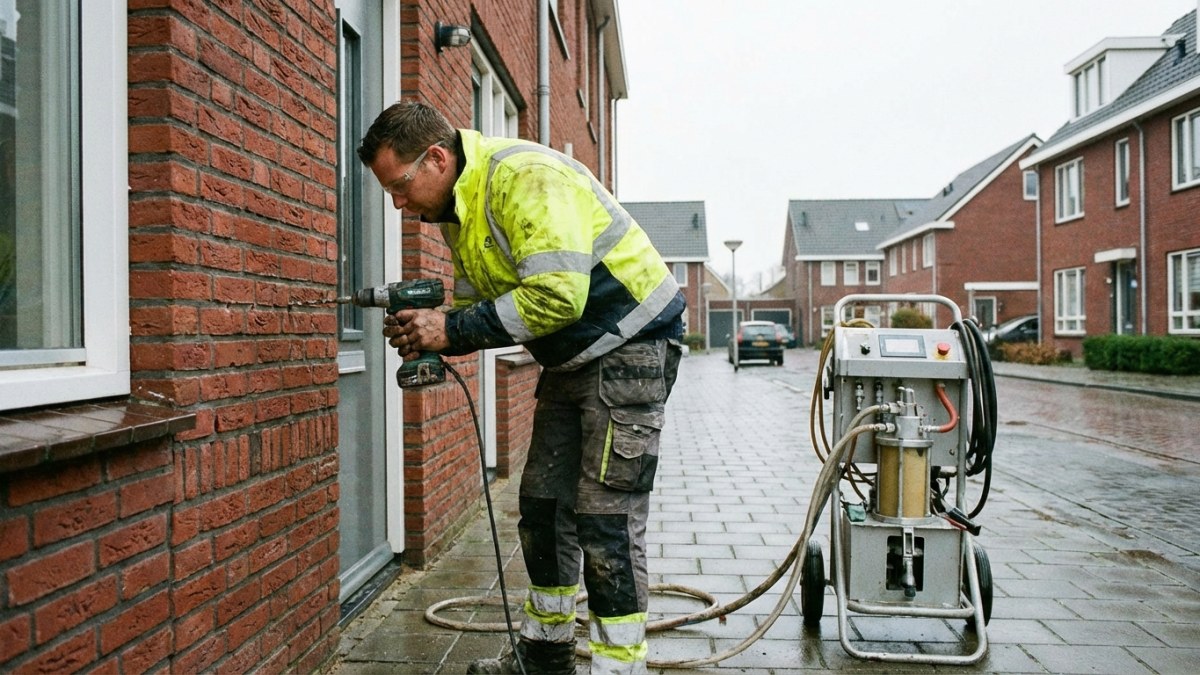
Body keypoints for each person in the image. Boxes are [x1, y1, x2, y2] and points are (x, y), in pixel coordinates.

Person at [357, 100, 685, 675]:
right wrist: (438, 330)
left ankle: (618, 666)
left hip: (633, 342)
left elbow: (559, 296)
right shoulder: (462, 209)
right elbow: (490, 305)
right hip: (572, 357)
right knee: (542, 505)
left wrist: (449, 328)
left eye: (400, 186)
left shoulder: (524, 177)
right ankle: (546, 657)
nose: (398, 204)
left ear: (436, 157)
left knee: (604, 516)